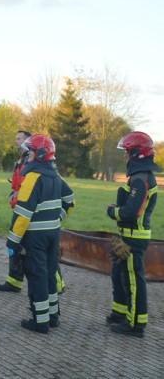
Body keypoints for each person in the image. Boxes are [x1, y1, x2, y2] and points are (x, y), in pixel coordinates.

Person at [6, 134, 73, 333]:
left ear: (40, 154)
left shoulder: (33, 178)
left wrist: (12, 241)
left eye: (31, 152)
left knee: (37, 276)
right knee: (50, 274)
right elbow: (70, 198)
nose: (28, 156)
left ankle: (40, 321)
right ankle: (53, 316)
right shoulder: (55, 175)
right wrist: (57, 218)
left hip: (35, 237)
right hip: (53, 234)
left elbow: (23, 214)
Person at [0, 131, 71, 294]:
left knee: (43, 259)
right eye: (16, 139)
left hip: (34, 217)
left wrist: (57, 218)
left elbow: (58, 189)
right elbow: (17, 183)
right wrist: (14, 195)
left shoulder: (41, 164)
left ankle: (57, 285)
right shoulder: (22, 161)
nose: (18, 142)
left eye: (21, 139)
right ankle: (14, 281)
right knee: (18, 248)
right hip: (22, 207)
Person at [106, 131, 159, 338]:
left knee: (133, 280)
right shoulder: (138, 177)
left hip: (133, 238)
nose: (124, 156)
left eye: (127, 152)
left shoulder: (141, 180)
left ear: (137, 154)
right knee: (119, 276)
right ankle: (120, 313)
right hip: (125, 236)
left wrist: (113, 212)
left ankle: (136, 323)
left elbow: (131, 212)